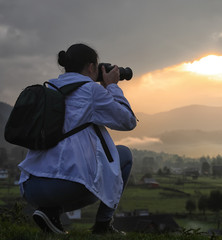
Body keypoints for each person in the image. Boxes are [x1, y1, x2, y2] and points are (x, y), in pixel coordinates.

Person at [17, 43, 137, 235]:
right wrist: (112, 87)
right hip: (64, 186)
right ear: (91, 67)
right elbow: (128, 121)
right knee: (124, 155)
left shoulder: (50, 88)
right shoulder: (91, 91)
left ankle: (50, 212)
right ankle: (102, 226)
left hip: (30, 186)